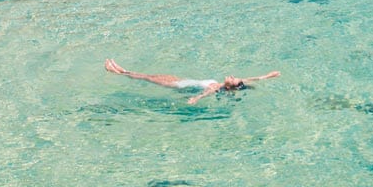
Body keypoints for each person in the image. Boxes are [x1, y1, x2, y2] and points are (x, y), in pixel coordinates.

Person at [105, 59, 280, 105]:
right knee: (151, 75)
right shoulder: (228, 85)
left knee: (149, 78)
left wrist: (195, 99)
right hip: (182, 81)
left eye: (232, 79)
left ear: (229, 86)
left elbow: (207, 92)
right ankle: (121, 70)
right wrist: (268, 76)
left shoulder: (217, 86)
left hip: (178, 85)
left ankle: (118, 72)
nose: (232, 76)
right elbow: (252, 79)